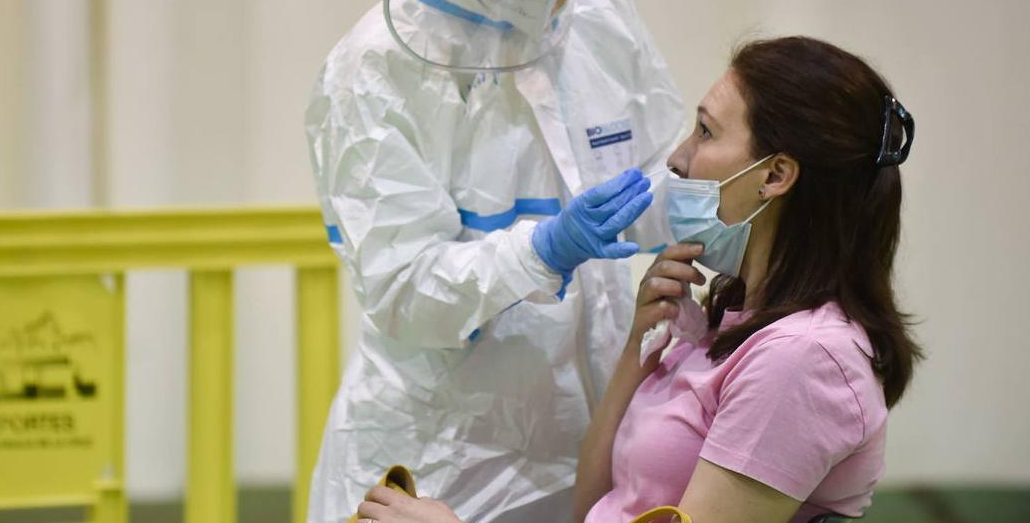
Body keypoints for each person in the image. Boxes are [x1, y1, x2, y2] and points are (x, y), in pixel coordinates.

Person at [305, 0, 684, 523]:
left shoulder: (597, 11)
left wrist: (702, 211)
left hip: (595, 437)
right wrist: (541, 251)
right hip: (444, 455)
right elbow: (405, 291)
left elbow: (658, 170)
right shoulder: (374, 72)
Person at [351, 36, 921, 523]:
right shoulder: (726, 317)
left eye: (704, 132)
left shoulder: (805, 358)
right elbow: (597, 508)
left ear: (774, 175)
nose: (677, 158)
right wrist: (636, 349)